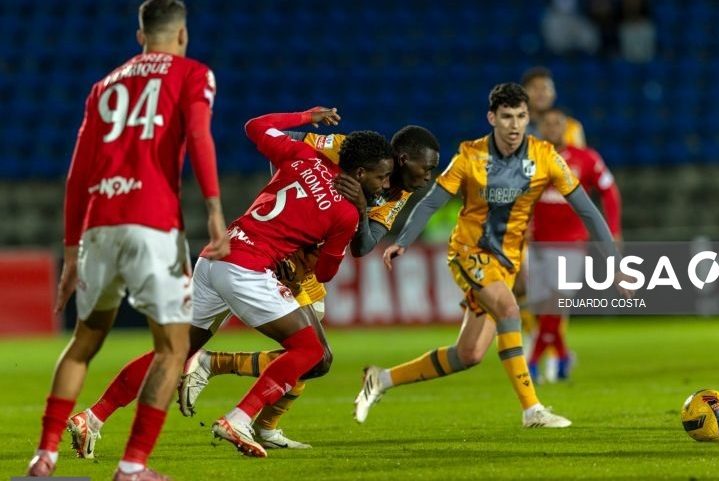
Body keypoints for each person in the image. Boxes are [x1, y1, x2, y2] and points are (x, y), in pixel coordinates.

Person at [65, 107, 395, 459]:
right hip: (247, 269)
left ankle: (92, 418)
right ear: (360, 173)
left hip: (214, 257)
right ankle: (239, 419)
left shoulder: (302, 156)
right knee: (311, 351)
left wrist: (306, 116)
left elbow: (255, 126)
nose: (385, 185)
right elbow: (326, 273)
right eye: (380, 178)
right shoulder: (345, 213)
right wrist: (359, 212)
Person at [25, 1, 229, 479]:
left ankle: (45, 456)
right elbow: (199, 137)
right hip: (152, 225)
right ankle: (133, 465)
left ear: (140, 36)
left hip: (99, 226)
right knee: (172, 349)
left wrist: (72, 251)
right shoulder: (193, 74)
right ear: (181, 36)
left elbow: (78, 174)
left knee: (83, 342)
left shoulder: (103, 86)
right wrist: (215, 211)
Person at [354, 82, 624, 427]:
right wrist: (403, 239)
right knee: (510, 308)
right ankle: (532, 409)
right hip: (469, 252)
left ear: (528, 119)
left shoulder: (545, 156)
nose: (514, 125)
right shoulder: (470, 155)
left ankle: (381, 379)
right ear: (492, 117)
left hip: (507, 260)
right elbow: (435, 199)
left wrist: (614, 263)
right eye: (507, 117)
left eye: (521, 117)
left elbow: (587, 210)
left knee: (468, 354)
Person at [175, 126, 441, 449]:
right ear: (403, 159)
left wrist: (358, 208)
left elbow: (364, 245)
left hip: (308, 268)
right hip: (279, 257)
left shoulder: (399, 193)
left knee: (314, 359)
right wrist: (293, 207)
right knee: (315, 356)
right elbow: (292, 144)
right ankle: (238, 400)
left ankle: (252, 410)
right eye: (426, 168)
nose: (429, 176)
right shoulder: (343, 146)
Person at [526, 107, 622, 382]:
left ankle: (532, 362)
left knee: (555, 302)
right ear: (541, 128)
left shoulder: (586, 158)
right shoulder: (531, 160)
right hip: (538, 244)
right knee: (543, 306)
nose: (553, 128)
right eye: (548, 124)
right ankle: (563, 354)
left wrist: (613, 230)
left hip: (571, 244)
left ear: (566, 127)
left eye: (558, 123)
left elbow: (609, 191)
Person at [521, 66, 586, 148]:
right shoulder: (515, 127)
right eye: (534, 88)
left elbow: (578, 158)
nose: (540, 93)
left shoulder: (571, 127)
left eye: (545, 88)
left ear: (554, 94)